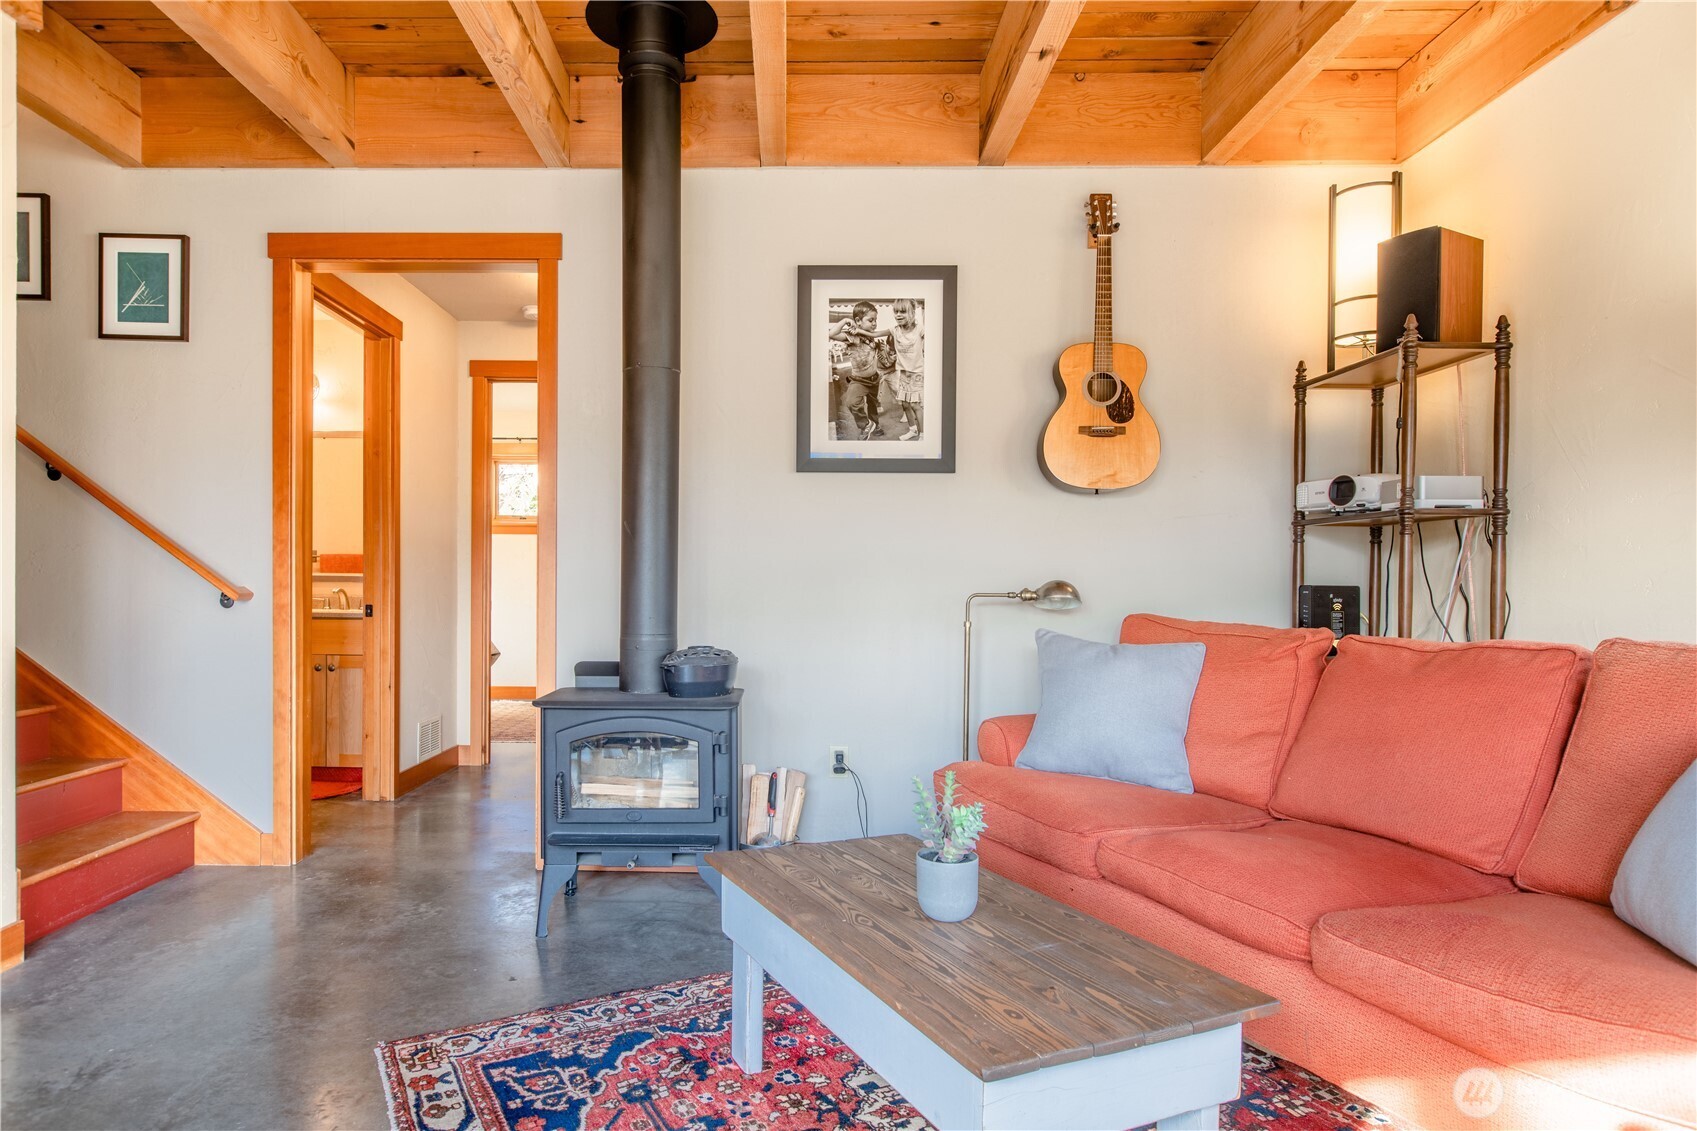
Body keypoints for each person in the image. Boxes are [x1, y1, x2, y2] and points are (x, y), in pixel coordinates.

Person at [829, 301, 882, 440]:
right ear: (858, 321)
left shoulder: (872, 336)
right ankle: (865, 425)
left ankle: (875, 425)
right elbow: (832, 334)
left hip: (874, 378)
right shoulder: (853, 336)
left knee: (872, 404)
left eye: (875, 320)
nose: (874, 323)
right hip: (859, 380)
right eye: (871, 320)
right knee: (851, 402)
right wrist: (846, 320)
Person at [883, 297, 925, 440]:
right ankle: (912, 430)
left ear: (912, 313)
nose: (898, 315)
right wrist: (857, 330)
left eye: (903, 311)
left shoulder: (920, 329)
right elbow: (875, 334)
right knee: (905, 404)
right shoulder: (895, 330)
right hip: (904, 373)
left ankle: (923, 434)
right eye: (896, 311)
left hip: (917, 372)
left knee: (915, 405)